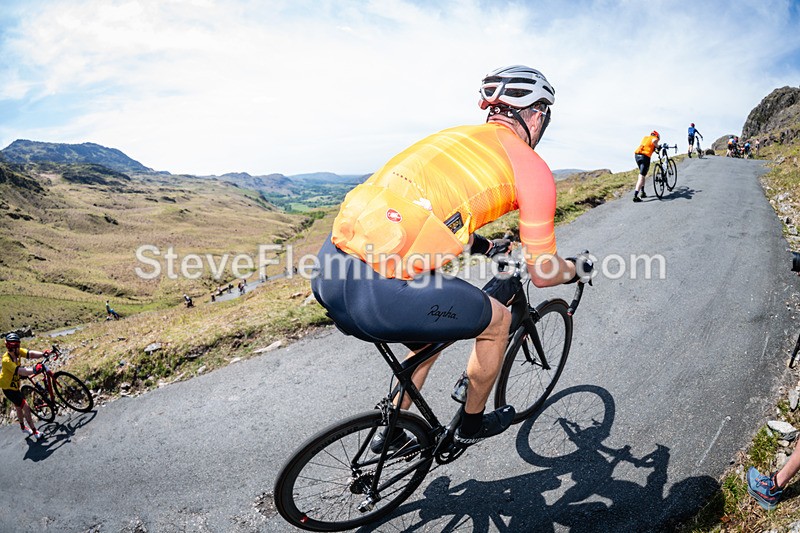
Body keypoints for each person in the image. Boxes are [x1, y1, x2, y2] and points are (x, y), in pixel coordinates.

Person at [311, 65, 591, 450]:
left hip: (329, 271)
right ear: (537, 114)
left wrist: (486, 247)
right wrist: (577, 269)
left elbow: (432, 212)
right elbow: (543, 274)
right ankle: (470, 426)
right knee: (498, 321)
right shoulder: (532, 168)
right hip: (381, 296)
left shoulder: (453, 138)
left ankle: (392, 432)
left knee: (427, 338)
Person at [0, 333, 46, 441]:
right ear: (12, 347)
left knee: (18, 407)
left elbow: (30, 354)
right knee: (26, 407)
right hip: (8, 389)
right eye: (18, 346)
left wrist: (43, 354)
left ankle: (23, 427)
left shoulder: (17, 352)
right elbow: (20, 371)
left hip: (15, 385)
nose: (20, 348)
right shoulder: (6, 360)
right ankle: (35, 432)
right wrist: (34, 370)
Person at [633, 131, 660, 203]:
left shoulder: (645, 138)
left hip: (637, 155)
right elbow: (654, 141)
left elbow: (649, 146)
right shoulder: (654, 138)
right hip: (645, 157)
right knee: (641, 176)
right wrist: (658, 146)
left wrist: (654, 148)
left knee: (643, 174)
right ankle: (635, 196)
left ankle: (643, 192)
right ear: (657, 136)